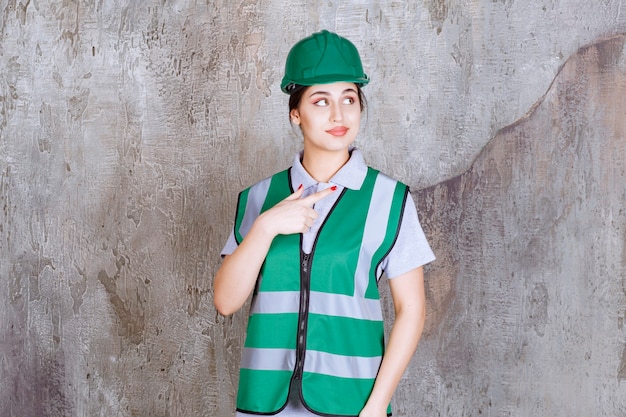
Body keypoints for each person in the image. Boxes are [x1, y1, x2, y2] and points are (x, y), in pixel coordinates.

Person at [214, 30, 435, 417]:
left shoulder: (390, 199)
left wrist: (376, 406)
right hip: (264, 403)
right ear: (295, 113)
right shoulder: (258, 199)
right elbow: (226, 301)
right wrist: (265, 227)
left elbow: (411, 310)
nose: (339, 115)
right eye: (321, 101)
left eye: (349, 99)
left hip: (351, 406)